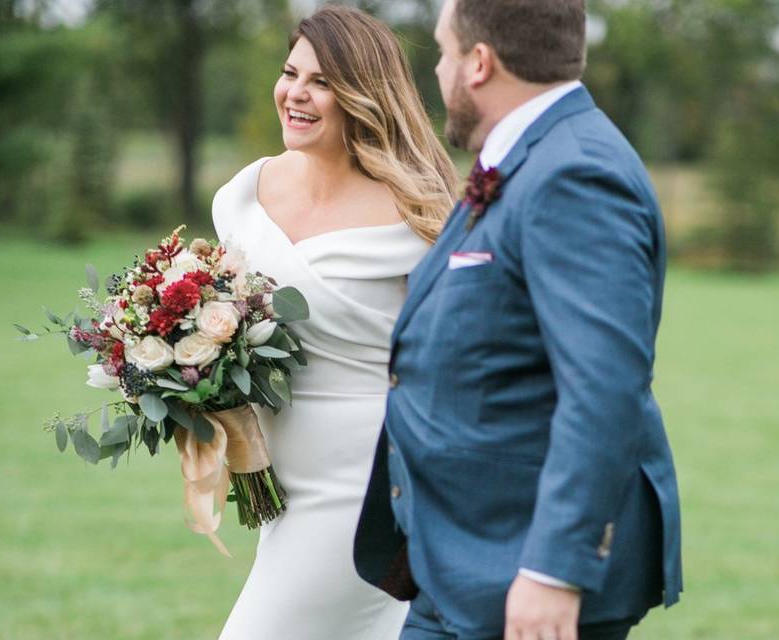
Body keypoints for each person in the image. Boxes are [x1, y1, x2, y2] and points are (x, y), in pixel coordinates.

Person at [354, 1, 682, 638]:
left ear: (480, 63)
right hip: (461, 564)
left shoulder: (576, 174)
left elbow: (604, 390)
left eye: (445, 52)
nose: (440, 71)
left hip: (523, 578)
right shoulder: (525, 157)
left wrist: (554, 571)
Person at [211, 6, 458, 639]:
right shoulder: (243, 198)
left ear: (361, 96)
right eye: (291, 73)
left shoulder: (419, 218)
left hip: (368, 484)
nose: (295, 93)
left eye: (320, 82)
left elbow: (454, 360)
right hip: (278, 483)